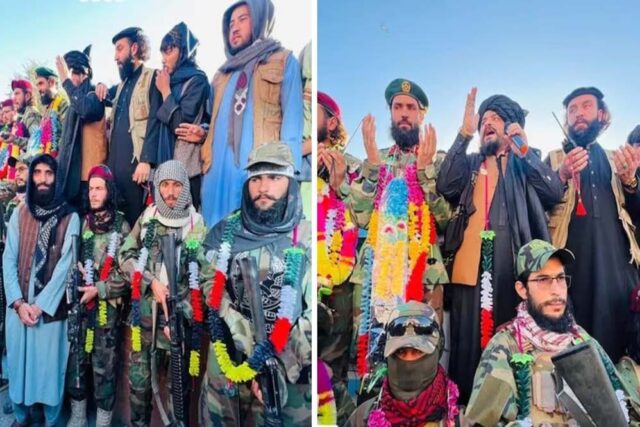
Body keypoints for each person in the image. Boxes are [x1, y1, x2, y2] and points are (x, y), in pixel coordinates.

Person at [436, 89, 564, 401]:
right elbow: (445, 184)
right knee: (467, 348)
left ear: (511, 126)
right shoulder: (470, 163)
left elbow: (553, 192)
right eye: (483, 120)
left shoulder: (525, 162)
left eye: (496, 118)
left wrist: (525, 152)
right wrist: (464, 134)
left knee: (514, 344)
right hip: (470, 272)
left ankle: (512, 409)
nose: (487, 124)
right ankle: (467, 407)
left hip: (513, 272)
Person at [465, 239, 638, 426]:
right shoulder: (505, 347)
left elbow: (626, 409)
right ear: (522, 290)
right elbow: (480, 422)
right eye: (543, 280)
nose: (556, 290)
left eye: (560, 278)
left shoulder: (581, 339)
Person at [201, 143, 311, 426]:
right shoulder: (225, 231)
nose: (263, 187)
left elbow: (314, 316)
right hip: (227, 361)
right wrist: (231, 319)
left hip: (284, 375)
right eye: (256, 179)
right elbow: (206, 277)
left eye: (274, 177)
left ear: (291, 182)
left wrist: (277, 360)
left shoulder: (307, 237)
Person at [349, 78, 450, 380]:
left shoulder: (439, 160)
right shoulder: (377, 158)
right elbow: (359, 217)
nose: (404, 113)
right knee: (373, 356)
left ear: (421, 114)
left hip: (424, 272)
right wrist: (371, 165)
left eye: (411, 107)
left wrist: (426, 172)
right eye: (397, 107)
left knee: (424, 350)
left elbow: (446, 218)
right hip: (376, 273)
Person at [546, 87, 640, 362]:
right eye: (572, 109)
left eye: (586, 106)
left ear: (601, 114)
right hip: (572, 268)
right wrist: (561, 174)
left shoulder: (616, 160)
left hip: (618, 269)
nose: (578, 114)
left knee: (622, 347)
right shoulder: (553, 159)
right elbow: (539, 203)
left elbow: (636, 212)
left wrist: (630, 181)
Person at [198, 0, 303, 227]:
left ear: (260, 20)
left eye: (242, 20)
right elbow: (214, 120)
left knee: (251, 235)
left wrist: (287, 175)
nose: (234, 28)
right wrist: (202, 132)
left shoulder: (283, 61)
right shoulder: (221, 75)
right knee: (212, 233)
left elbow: (292, 123)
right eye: (231, 24)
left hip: (256, 171)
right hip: (216, 173)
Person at [119, 160, 206, 427]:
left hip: (176, 328)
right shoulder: (147, 218)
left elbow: (203, 280)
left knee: (177, 397)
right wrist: (151, 282)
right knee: (139, 389)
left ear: (185, 188)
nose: (170, 192)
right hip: (145, 322)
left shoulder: (196, 224)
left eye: (176, 185)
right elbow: (125, 256)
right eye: (165, 185)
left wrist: (181, 313)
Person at [3, 154, 79, 427]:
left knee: (48, 370)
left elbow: (66, 267)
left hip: (49, 310)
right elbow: (9, 259)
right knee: (19, 367)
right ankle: (21, 417)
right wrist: (18, 302)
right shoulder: (20, 212)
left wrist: (38, 306)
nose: (43, 179)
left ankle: (50, 420)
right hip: (19, 307)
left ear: (56, 178)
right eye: (38, 173)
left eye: (49, 173)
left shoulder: (70, 217)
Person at [66, 165, 130, 427]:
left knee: (105, 368)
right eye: (91, 188)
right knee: (77, 362)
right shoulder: (84, 222)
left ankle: (103, 421)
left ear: (109, 191)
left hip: (107, 311)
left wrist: (100, 288)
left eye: (99, 188)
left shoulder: (122, 226)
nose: (93, 194)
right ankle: (78, 416)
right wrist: (78, 270)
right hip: (82, 308)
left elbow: (128, 275)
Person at [316, 91, 359, 425]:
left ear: (331, 122)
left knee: (332, 371)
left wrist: (340, 184)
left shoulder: (352, 165)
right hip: (302, 273)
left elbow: (364, 217)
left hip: (338, 282)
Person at [345, 301, 459, 427]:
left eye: (417, 351)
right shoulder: (362, 417)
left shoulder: (458, 420)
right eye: (401, 352)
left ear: (437, 352)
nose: (408, 361)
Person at [96, 27, 162, 226]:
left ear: (134, 49)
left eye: (120, 49)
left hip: (137, 171)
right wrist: (99, 85)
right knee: (116, 224)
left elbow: (155, 121)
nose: (115, 57)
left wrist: (146, 160)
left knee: (137, 224)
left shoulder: (152, 77)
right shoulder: (121, 86)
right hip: (115, 170)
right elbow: (102, 95)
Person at [156, 22, 211, 210]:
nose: (163, 59)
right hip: (165, 167)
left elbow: (180, 125)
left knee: (188, 222)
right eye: (162, 53)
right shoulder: (166, 79)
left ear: (184, 52)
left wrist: (165, 92)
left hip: (186, 170)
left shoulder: (197, 80)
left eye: (169, 52)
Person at [56, 46, 108, 210]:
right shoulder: (75, 102)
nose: (68, 78)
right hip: (73, 180)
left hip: (89, 183)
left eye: (70, 73)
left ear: (83, 74)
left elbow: (86, 109)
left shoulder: (94, 95)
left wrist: (65, 81)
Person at [26, 67, 69, 158]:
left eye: (41, 83)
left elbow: (67, 136)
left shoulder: (62, 104)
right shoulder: (47, 110)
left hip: (56, 161)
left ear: (51, 82)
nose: (38, 89)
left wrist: (53, 160)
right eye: (37, 85)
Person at [8, 79, 41, 150]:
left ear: (27, 96)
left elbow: (37, 144)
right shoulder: (23, 115)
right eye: (14, 94)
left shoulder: (31, 114)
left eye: (17, 94)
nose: (14, 98)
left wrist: (14, 139)